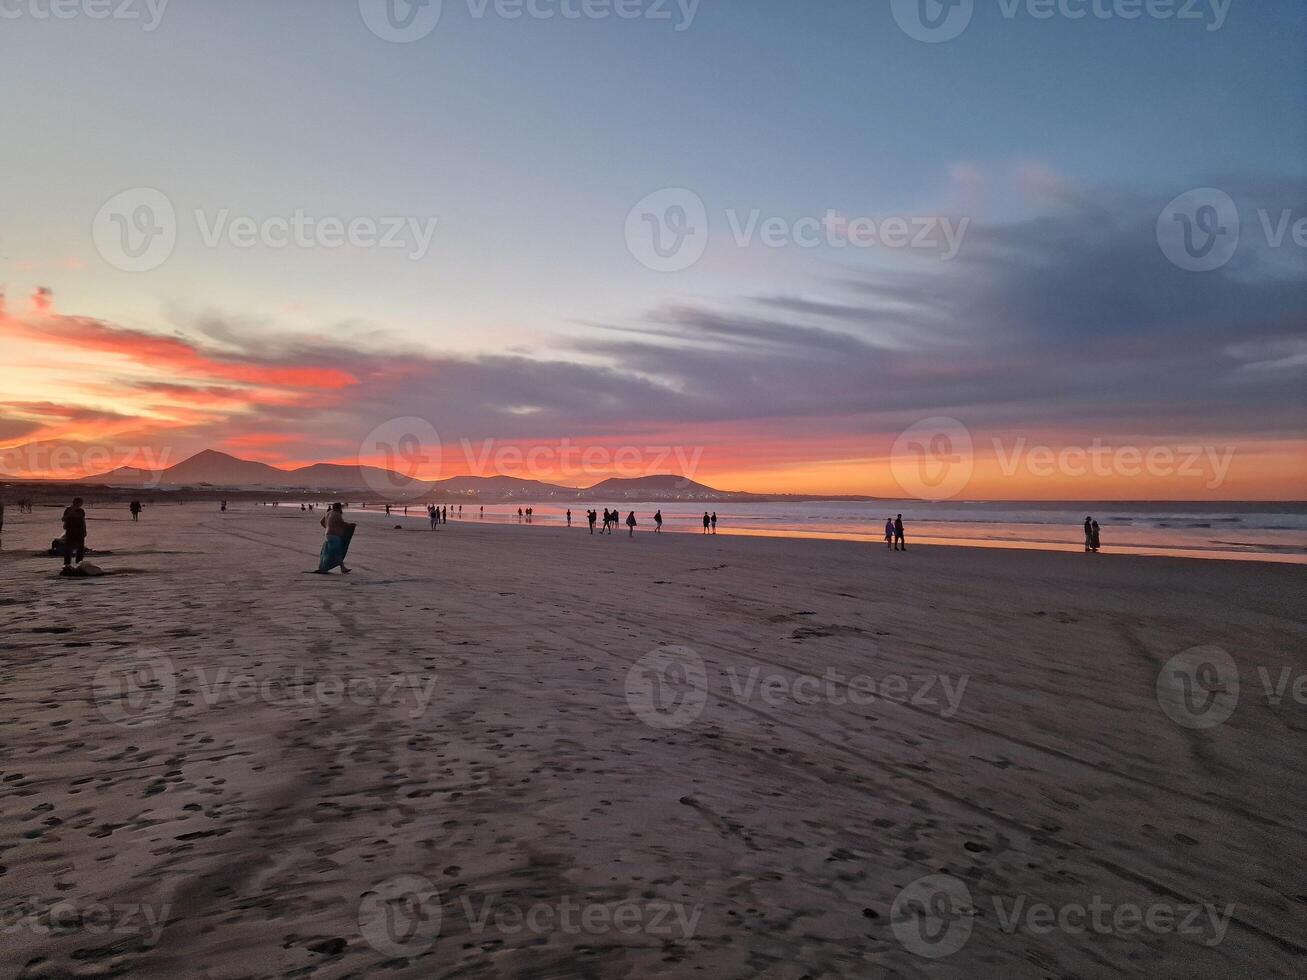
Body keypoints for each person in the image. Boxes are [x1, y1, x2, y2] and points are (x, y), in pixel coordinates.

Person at [314, 502, 355, 574]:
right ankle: (341, 568)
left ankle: (338, 567)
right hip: (335, 536)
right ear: (339, 508)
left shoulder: (328, 513)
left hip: (328, 535)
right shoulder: (337, 514)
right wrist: (350, 525)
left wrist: (327, 528)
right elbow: (342, 524)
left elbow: (321, 522)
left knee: (328, 552)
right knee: (337, 552)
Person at [61, 497, 88, 574]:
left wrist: (85, 530)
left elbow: (83, 521)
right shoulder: (68, 510)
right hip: (70, 531)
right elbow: (63, 519)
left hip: (80, 532)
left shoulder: (81, 510)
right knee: (68, 548)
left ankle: (79, 563)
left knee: (80, 548)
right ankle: (67, 564)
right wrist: (70, 514)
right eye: (80, 503)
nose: (81, 504)